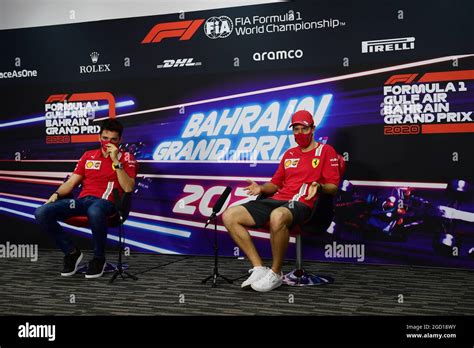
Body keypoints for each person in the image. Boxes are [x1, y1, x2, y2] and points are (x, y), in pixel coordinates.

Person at [222, 110, 341, 292]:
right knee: (230, 215)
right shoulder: (289, 154)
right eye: (296, 130)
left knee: (277, 215)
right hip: (279, 199)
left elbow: (333, 186)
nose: (300, 134)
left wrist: (319, 186)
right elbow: (275, 184)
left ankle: (276, 273)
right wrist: (261, 188)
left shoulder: (326, 151)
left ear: (313, 129)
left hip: (306, 203)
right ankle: (259, 268)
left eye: (304, 129)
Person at [34, 119, 138, 279]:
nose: (107, 143)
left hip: (107, 204)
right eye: (104, 138)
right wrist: (55, 195)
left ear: (120, 140)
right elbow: (71, 183)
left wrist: (115, 161)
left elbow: (128, 187)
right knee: (41, 212)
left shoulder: (126, 157)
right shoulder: (88, 156)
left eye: (113, 139)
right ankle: (72, 253)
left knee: (95, 209)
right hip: (83, 201)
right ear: (99, 137)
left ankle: (99, 259)